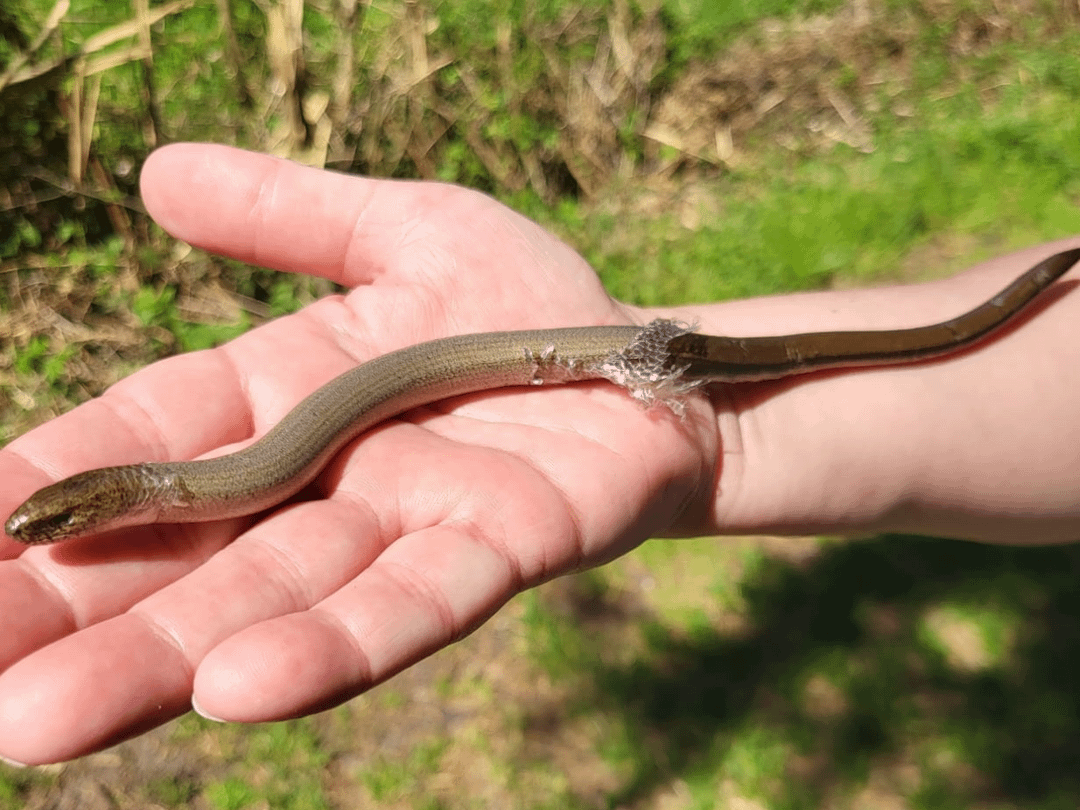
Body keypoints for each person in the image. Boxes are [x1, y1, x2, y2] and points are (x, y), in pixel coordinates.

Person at [1, 143, 1078, 765]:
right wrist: (714, 426)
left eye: (56, 520)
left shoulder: (178, 487)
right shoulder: (174, 488)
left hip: (587, 358)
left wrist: (679, 396)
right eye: (57, 522)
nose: (51, 531)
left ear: (99, 511)